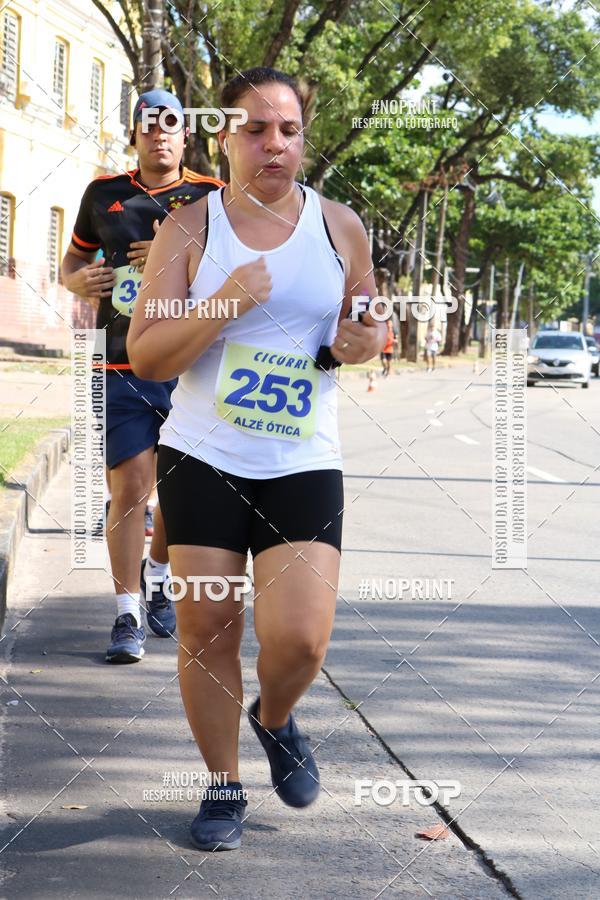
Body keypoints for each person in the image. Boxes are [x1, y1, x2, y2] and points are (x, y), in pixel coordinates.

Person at [127, 66, 386, 852]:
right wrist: (222, 304)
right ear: (224, 140)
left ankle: (275, 719)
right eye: (256, 129)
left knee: (301, 639)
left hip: (302, 458)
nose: (275, 144)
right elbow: (147, 354)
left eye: (290, 131)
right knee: (207, 627)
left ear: (303, 141)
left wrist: (364, 340)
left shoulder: (339, 226)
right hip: (203, 457)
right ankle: (223, 785)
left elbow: (369, 324)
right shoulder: (189, 230)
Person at [62, 90, 223, 663]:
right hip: (120, 363)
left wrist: (172, 253)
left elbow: (233, 272)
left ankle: (157, 572)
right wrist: (76, 281)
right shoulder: (103, 194)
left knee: (179, 490)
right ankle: (126, 612)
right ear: (135, 134)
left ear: (185, 136)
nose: (159, 134)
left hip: (191, 365)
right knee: (131, 486)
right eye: (148, 125)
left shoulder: (212, 198)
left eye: (170, 124)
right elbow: (73, 261)